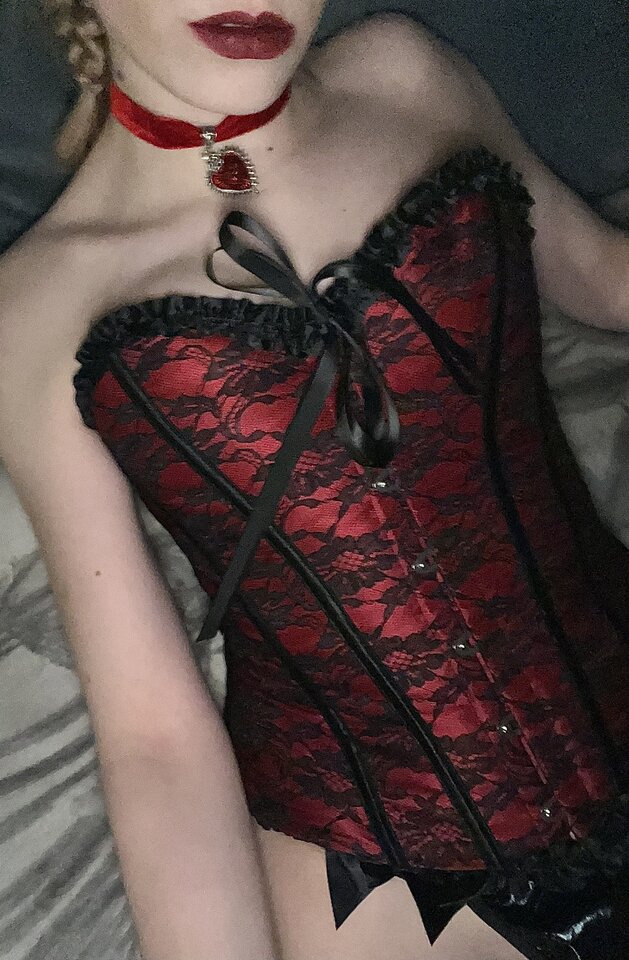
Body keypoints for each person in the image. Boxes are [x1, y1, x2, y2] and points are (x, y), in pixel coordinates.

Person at [1, 1, 629, 958]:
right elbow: (153, 735)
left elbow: (607, 281)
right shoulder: (37, 309)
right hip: (377, 878)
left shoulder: (407, 77)